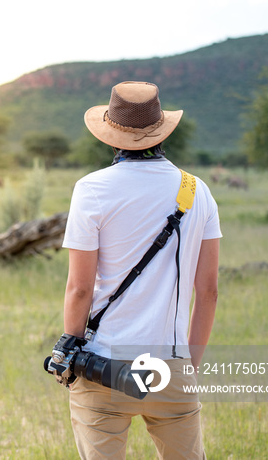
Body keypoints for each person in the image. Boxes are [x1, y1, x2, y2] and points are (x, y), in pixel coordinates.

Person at [56, 81, 221, 459]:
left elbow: (79, 289)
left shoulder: (91, 189)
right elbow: (208, 290)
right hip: (172, 365)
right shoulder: (197, 191)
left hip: (104, 365)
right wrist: (188, 366)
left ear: (111, 135)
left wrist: (68, 351)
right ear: (162, 131)